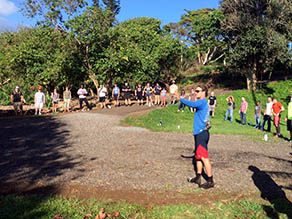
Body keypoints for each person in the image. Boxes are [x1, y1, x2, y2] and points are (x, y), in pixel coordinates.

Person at [176, 85, 214, 189]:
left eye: (198, 91)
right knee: (198, 157)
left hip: (202, 133)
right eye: (195, 91)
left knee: (204, 157)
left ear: (204, 92)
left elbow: (192, 104)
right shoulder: (202, 102)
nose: (195, 93)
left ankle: (210, 181)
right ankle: (198, 177)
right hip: (199, 133)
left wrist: (180, 99)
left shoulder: (202, 101)